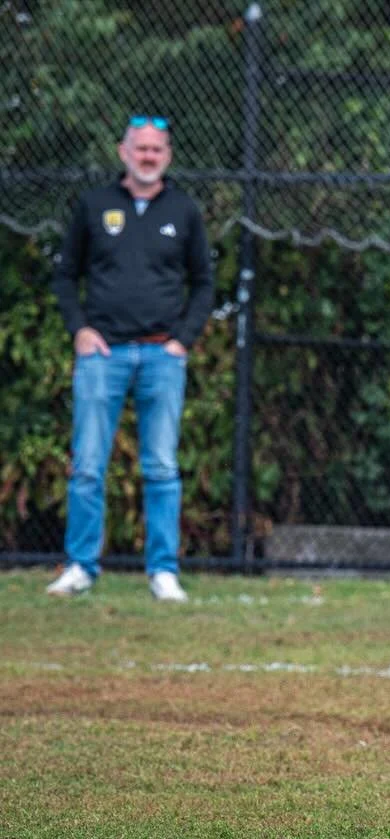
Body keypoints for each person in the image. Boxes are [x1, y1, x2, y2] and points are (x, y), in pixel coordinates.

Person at [46, 115, 214, 602]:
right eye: (139, 148)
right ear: (122, 152)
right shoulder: (94, 206)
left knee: (161, 467)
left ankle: (163, 571)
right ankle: (80, 566)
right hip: (103, 357)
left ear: (168, 155)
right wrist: (79, 330)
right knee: (88, 467)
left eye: (156, 149)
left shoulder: (183, 210)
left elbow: (204, 283)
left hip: (163, 356)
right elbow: (64, 276)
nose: (147, 156)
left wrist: (182, 340)